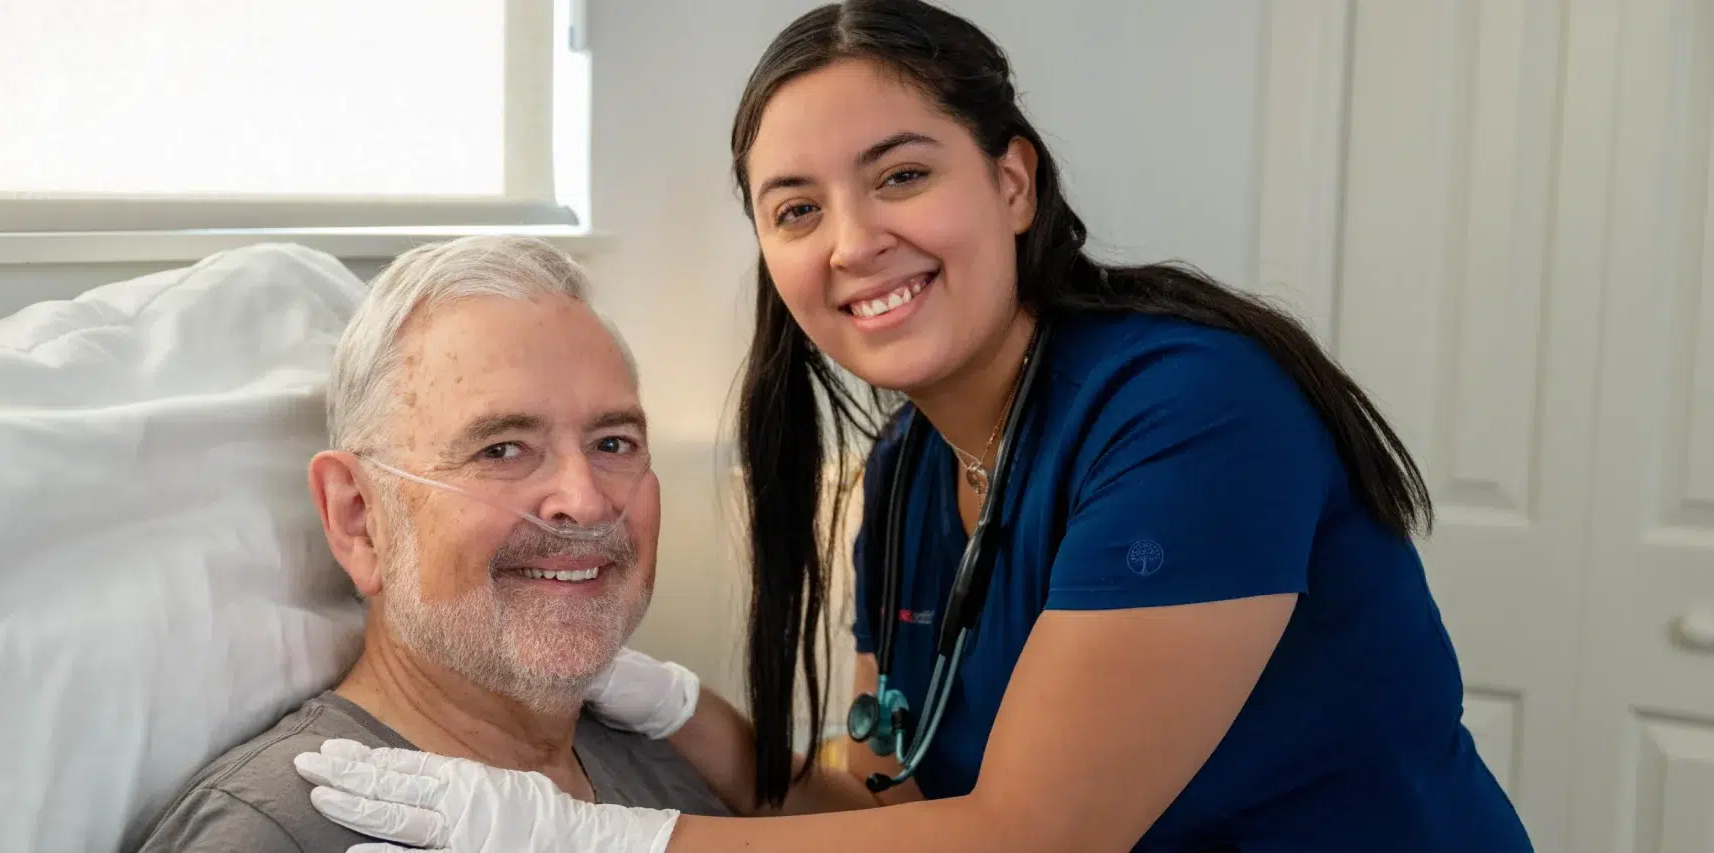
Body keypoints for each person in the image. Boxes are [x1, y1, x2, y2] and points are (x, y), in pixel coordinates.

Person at [290, 1, 1536, 851]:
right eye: (793, 209)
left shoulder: (1190, 416)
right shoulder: (908, 472)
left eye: (899, 175)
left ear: (1010, 180)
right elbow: (874, 792)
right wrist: (674, 709)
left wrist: (580, 833)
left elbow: (1031, 836)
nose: (851, 242)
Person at [132, 235, 730, 853]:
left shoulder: (671, 758)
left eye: (613, 443)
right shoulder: (272, 832)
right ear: (360, 518)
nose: (583, 501)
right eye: (501, 450)